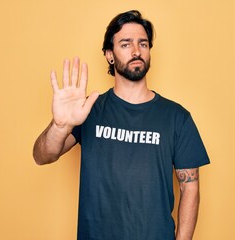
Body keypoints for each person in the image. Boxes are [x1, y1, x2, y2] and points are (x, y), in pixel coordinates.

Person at [33, 10, 210, 240]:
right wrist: (59, 126)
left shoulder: (177, 117)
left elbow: (190, 188)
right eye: (126, 44)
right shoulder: (88, 110)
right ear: (110, 55)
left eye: (143, 44)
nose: (136, 51)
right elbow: (42, 156)